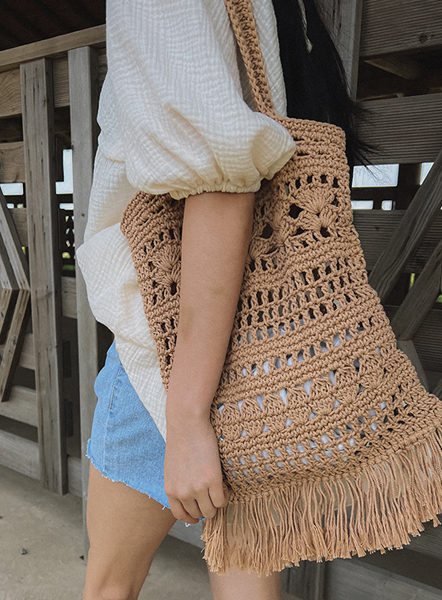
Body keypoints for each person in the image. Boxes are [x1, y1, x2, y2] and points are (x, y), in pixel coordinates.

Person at [76, 1, 364, 599]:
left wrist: (186, 416)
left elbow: (219, 185)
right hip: (272, 352)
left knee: (109, 587)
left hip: (169, 347)